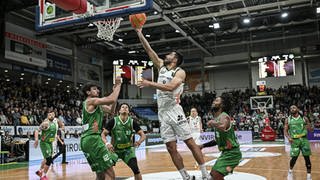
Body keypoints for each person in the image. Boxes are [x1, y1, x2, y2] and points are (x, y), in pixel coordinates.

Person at [134, 26, 210, 180]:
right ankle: (185, 177)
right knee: (170, 147)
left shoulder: (179, 72)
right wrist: (139, 33)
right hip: (162, 113)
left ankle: (205, 174)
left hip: (174, 110)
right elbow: (149, 50)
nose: (167, 55)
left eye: (170, 54)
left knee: (190, 143)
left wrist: (150, 84)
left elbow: (170, 87)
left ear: (175, 60)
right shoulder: (161, 66)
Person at [80, 79, 121, 180]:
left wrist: (114, 92)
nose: (98, 91)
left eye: (98, 89)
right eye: (94, 89)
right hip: (92, 140)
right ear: (88, 92)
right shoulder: (90, 101)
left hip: (89, 139)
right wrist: (118, 85)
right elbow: (111, 99)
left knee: (101, 175)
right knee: (110, 175)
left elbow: (111, 110)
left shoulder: (97, 104)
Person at [102, 103, 146, 180]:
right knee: (105, 170)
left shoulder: (132, 122)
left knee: (136, 170)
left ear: (129, 111)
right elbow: (103, 134)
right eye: (123, 107)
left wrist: (139, 142)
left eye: (126, 107)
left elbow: (143, 135)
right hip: (114, 150)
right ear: (119, 110)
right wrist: (107, 143)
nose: (125, 108)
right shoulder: (113, 121)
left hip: (127, 150)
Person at [205, 95, 242, 180]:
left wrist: (212, 123)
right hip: (226, 154)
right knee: (213, 176)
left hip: (232, 153)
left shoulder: (224, 116)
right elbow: (217, 140)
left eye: (217, 101)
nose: (214, 102)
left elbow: (223, 126)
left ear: (222, 105)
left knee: (216, 176)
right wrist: (202, 146)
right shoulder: (218, 118)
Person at [284, 105, 312, 180]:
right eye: (291, 108)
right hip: (294, 141)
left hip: (304, 140)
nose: (292, 109)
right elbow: (285, 131)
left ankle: (309, 176)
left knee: (307, 158)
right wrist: (289, 138)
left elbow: (310, 130)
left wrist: (308, 122)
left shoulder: (304, 118)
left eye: (294, 107)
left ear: (297, 109)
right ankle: (290, 172)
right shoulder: (288, 119)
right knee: (294, 158)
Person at [34, 110, 64, 180]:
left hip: (50, 142)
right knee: (49, 159)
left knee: (48, 159)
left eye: (53, 114)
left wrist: (61, 128)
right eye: (50, 114)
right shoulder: (46, 123)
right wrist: (36, 140)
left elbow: (62, 126)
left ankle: (40, 171)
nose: (52, 115)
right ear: (47, 116)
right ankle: (43, 175)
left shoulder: (55, 121)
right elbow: (36, 130)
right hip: (45, 143)